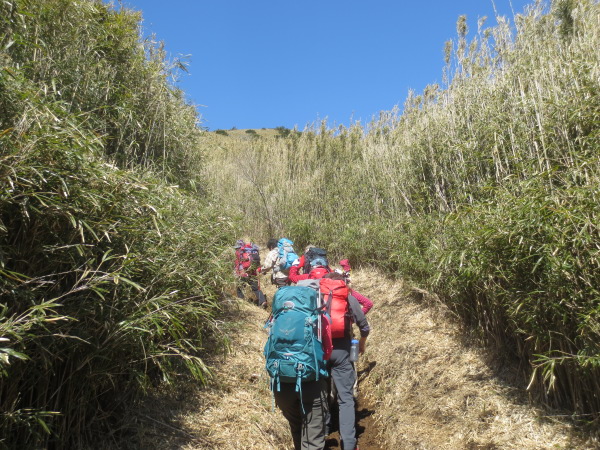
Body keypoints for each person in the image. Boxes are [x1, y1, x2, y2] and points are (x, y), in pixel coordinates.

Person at [265, 286, 333, 450]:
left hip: (281, 383)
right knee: (313, 438)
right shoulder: (320, 319)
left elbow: (267, 350)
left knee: (296, 428)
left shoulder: (276, 319)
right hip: (311, 383)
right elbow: (327, 352)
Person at [321, 272, 370, 450]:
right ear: (342, 284)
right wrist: (362, 343)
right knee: (346, 398)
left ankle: (324, 430)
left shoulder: (317, 296)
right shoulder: (348, 298)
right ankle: (348, 443)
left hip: (320, 350)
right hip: (342, 350)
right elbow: (364, 326)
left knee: (321, 393)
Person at [234, 240, 267, 308]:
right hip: (253, 273)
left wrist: (238, 273)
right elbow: (257, 264)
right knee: (256, 289)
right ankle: (263, 301)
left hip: (243, 274)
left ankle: (241, 302)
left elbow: (238, 264)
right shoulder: (251, 251)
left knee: (240, 289)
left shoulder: (239, 252)